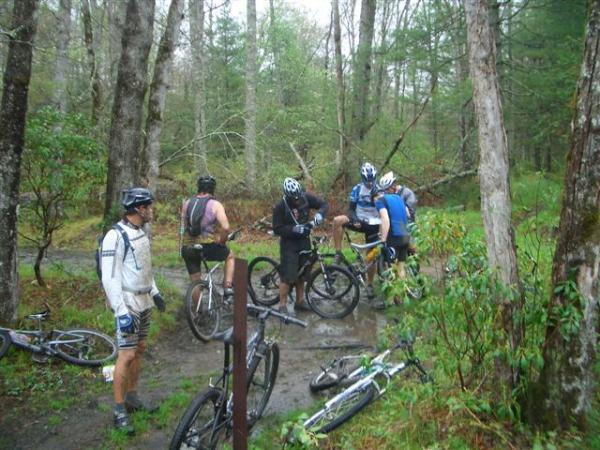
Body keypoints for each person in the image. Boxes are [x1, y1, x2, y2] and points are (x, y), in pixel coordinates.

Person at [100, 187, 166, 434]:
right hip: (128, 303)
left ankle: (132, 397)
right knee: (126, 355)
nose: (151, 210)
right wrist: (121, 310)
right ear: (139, 209)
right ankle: (118, 409)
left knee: (139, 350)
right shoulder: (115, 236)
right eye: (149, 206)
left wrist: (156, 292)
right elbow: (110, 277)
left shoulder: (140, 233)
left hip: (145, 299)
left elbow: (144, 269)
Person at [272, 178, 328, 313]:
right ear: (288, 195)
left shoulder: (306, 197)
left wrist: (319, 216)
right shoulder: (280, 206)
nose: (297, 201)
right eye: (294, 199)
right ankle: (282, 305)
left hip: (304, 241)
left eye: (298, 197)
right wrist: (294, 229)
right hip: (289, 244)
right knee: (288, 275)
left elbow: (324, 205)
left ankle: (299, 301)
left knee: (303, 273)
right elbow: (277, 229)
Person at [180, 176, 235, 299]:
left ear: (198, 188)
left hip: (188, 247)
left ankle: (196, 314)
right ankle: (227, 287)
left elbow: (183, 227)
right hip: (206, 247)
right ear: (213, 189)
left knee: (195, 282)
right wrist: (222, 241)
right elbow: (225, 228)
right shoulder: (215, 205)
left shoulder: (187, 203)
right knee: (230, 255)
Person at [332, 162, 380, 298]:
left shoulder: (379, 189)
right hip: (360, 221)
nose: (370, 183)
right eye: (367, 180)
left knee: (371, 256)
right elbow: (351, 209)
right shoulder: (357, 189)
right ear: (362, 178)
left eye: (371, 180)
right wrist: (354, 220)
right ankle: (338, 253)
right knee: (337, 220)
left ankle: (369, 285)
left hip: (374, 225)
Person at [374, 172, 410, 280]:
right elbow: (407, 214)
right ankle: (402, 294)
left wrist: (383, 239)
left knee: (393, 268)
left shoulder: (381, 200)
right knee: (401, 267)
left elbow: (385, 219)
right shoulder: (400, 199)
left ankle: (395, 295)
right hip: (405, 235)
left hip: (394, 237)